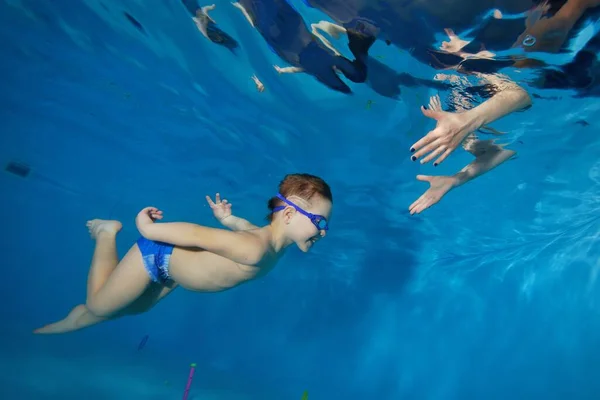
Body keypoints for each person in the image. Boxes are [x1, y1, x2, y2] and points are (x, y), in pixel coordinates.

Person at [34, 173, 332, 334]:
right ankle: (106, 232)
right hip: (156, 256)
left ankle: (72, 322)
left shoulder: (269, 243)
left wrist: (228, 219)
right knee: (99, 306)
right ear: (290, 215)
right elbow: (193, 233)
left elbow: (245, 227)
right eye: (320, 223)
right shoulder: (254, 248)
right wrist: (147, 229)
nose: (323, 232)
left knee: (135, 308)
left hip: (171, 274)